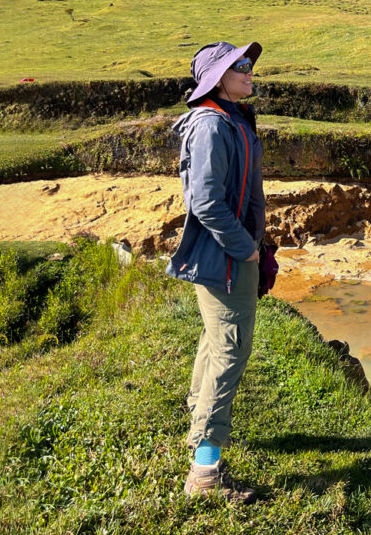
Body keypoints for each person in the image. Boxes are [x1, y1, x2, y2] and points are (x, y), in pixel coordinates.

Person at [167, 40, 265, 503]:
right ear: (217, 77)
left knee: (215, 343)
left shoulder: (231, 119)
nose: (250, 72)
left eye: (250, 65)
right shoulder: (211, 125)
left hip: (231, 255)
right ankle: (204, 473)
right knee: (231, 349)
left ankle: (198, 425)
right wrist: (246, 249)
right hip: (226, 258)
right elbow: (205, 201)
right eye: (239, 66)